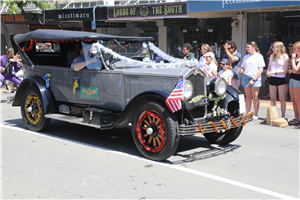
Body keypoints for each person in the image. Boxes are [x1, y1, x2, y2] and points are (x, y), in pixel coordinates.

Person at [238, 41, 265, 120]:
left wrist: (254, 79)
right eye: (246, 47)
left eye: (248, 47)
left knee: (255, 96)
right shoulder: (246, 57)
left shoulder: (259, 56)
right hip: (246, 76)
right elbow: (243, 67)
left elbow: (260, 70)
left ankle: (255, 114)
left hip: (255, 77)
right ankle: (248, 112)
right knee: (248, 96)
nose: (246, 49)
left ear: (253, 47)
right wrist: (240, 70)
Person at [266, 41, 289, 119]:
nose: (273, 48)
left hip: (280, 78)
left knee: (282, 98)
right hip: (272, 77)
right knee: (272, 98)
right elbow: (269, 66)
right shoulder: (272, 56)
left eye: (274, 47)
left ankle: (283, 116)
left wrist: (274, 72)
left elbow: (285, 70)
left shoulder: (285, 56)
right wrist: (268, 72)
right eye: (273, 47)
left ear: (279, 48)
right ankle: (273, 115)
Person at [288, 41, 300, 125]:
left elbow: (295, 70)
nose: (293, 50)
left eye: (295, 48)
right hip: (292, 79)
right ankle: (296, 117)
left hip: (298, 81)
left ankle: (299, 118)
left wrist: (292, 60)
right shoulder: (295, 58)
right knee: (293, 100)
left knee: (297, 100)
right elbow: (290, 70)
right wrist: (292, 70)